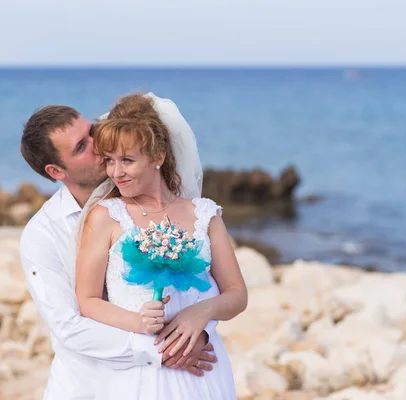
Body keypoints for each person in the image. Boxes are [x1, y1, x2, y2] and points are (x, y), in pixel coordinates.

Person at [19, 98, 217, 400]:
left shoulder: (147, 196)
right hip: (88, 385)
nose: (98, 145)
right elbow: (69, 326)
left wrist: (200, 330)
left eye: (91, 131)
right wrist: (163, 351)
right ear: (57, 171)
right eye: (81, 147)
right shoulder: (42, 235)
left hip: (170, 380)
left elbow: (197, 276)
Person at [74, 93, 248, 399]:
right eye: (109, 161)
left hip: (203, 371)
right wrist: (138, 322)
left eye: (127, 160)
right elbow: (87, 300)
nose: (116, 172)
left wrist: (201, 314)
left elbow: (237, 294)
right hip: (140, 369)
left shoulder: (204, 215)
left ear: (158, 157)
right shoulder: (106, 217)